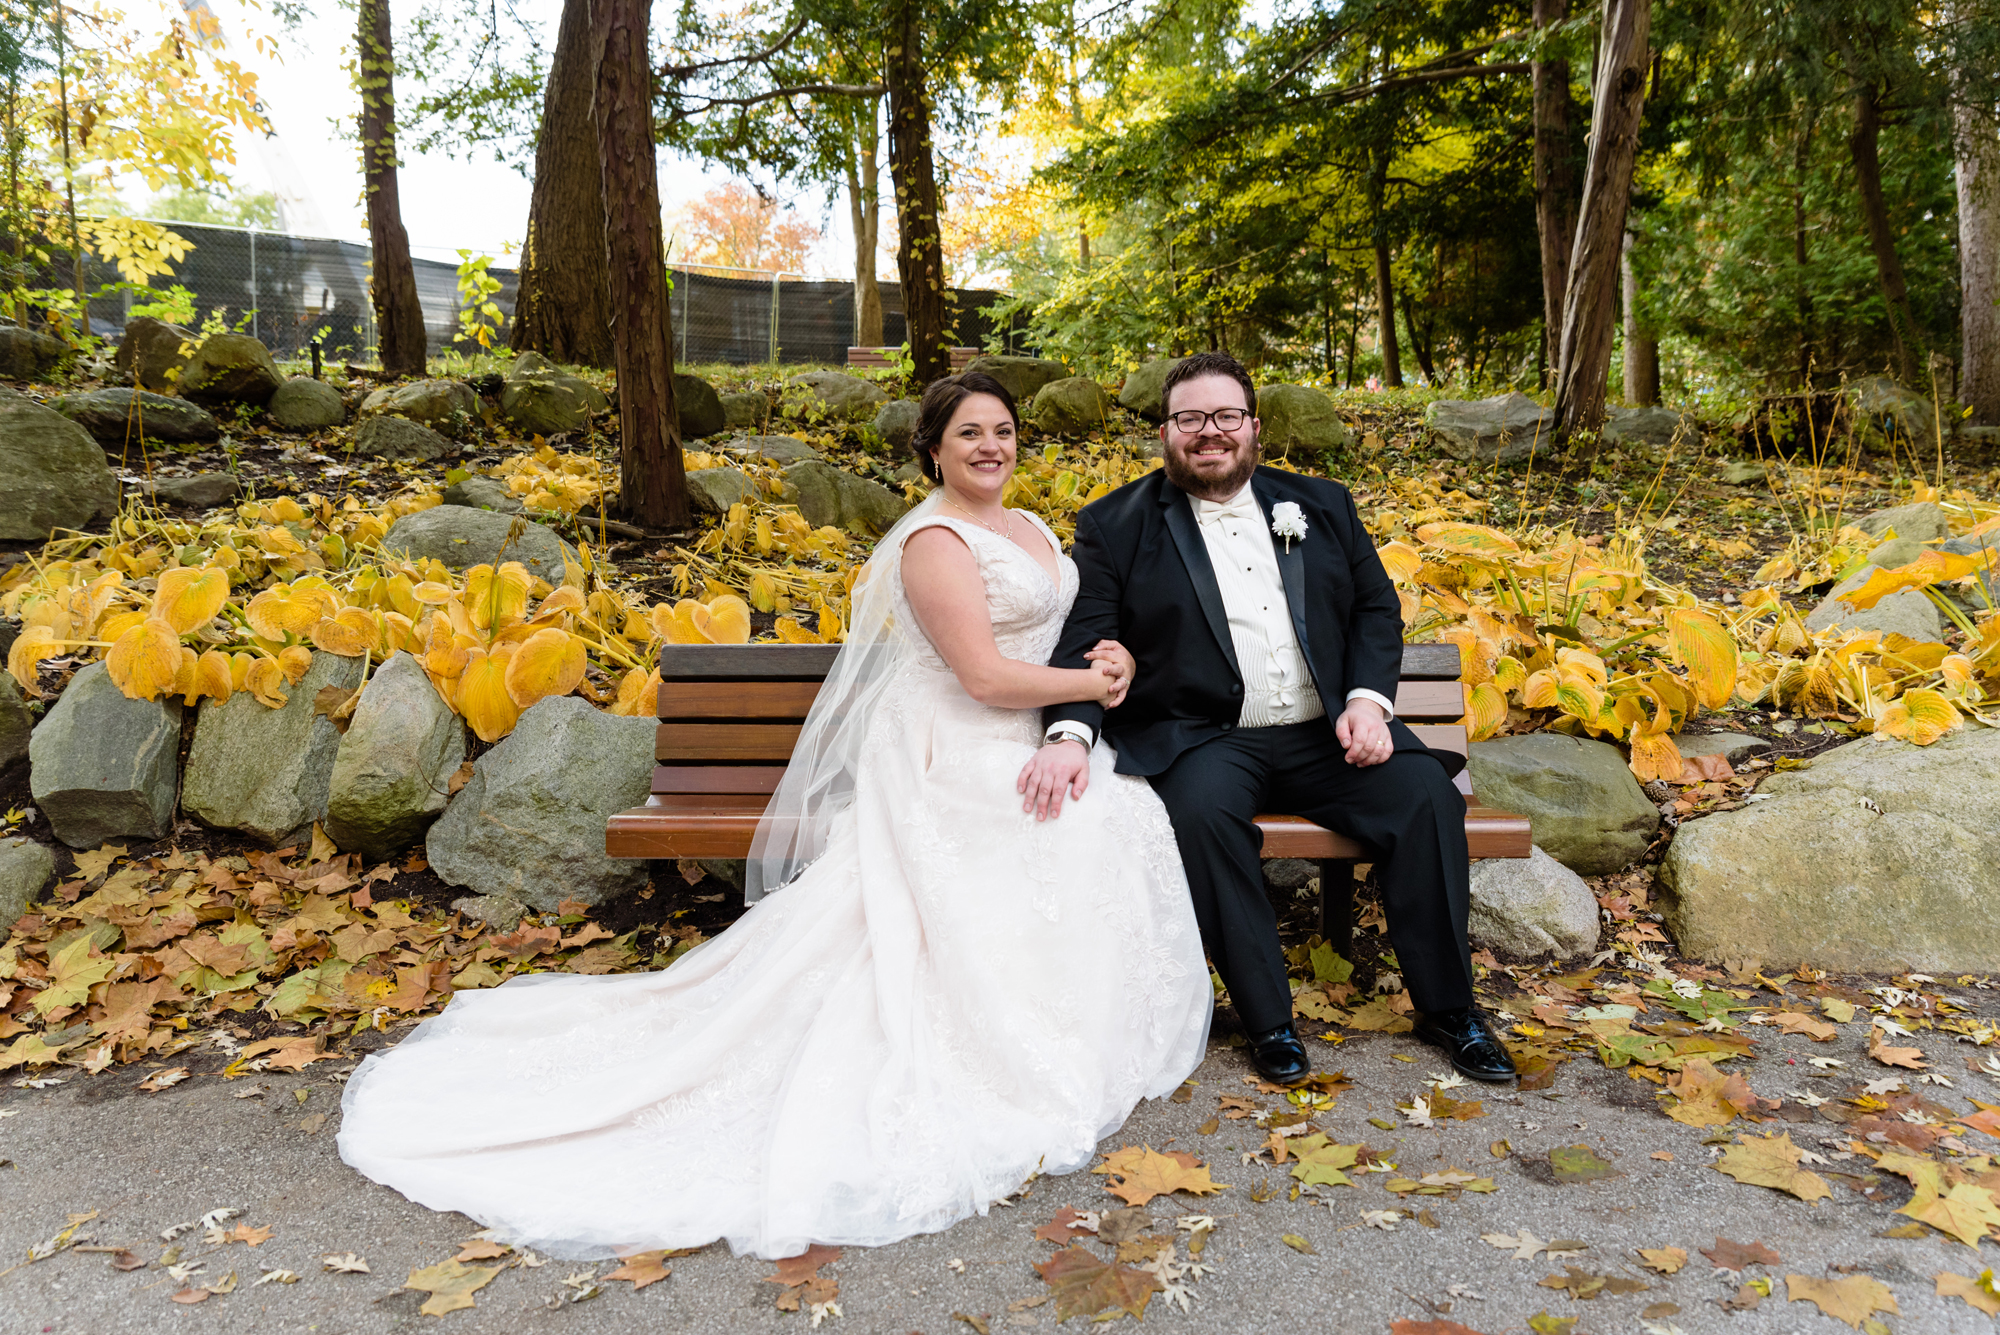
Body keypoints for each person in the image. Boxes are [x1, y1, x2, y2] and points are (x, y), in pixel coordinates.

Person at [336, 371, 1212, 1261]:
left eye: (1003, 429)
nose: (991, 446)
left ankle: (1066, 1018)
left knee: (1116, 806)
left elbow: (1061, 626)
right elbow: (982, 677)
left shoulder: (1026, 528)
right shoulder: (933, 542)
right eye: (969, 434)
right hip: (953, 743)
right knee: (1075, 821)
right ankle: (1015, 1034)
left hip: (1024, 730)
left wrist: (1105, 655)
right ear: (934, 450)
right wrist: (1094, 684)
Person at [1022, 351, 1515, 1086]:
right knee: (1197, 815)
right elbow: (1086, 640)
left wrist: (1367, 703)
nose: (1208, 432)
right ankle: (1269, 1021)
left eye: (1225, 416)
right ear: (1166, 431)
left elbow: (1377, 608)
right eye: (1191, 418)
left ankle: (1450, 1011)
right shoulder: (1116, 525)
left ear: (1253, 427)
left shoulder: (1321, 503)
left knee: (1427, 799)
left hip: (1328, 736)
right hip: (1208, 739)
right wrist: (1068, 734)